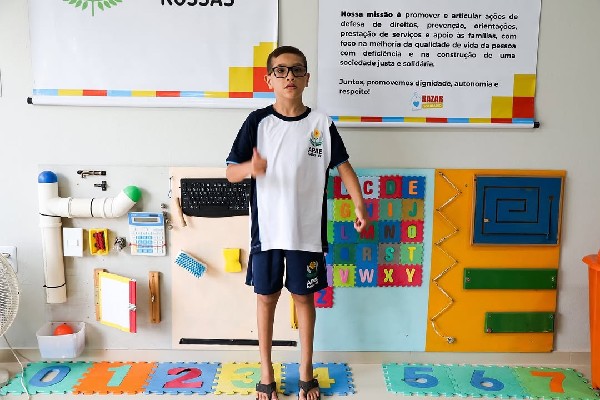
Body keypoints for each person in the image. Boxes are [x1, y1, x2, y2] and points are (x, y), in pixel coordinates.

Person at [226, 45, 368, 400]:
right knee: (266, 298)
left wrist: (359, 205)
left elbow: (344, 167)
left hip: (307, 233)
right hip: (268, 232)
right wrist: (251, 168)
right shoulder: (257, 122)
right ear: (269, 79)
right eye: (281, 70)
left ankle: (306, 371)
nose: (289, 76)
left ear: (307, 78)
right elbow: (231, 172)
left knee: (304, 298)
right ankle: (266, 372)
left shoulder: (321, 124)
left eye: (297, 70)